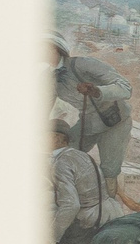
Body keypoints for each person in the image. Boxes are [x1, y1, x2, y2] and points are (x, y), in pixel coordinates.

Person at [53, 40, 134, 193]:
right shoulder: (48, 78)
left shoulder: (82, 65)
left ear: (58, 49)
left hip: (116, 121)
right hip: (88, 123)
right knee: (63, 153)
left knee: (109, 170)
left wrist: (97, 91)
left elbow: (126, 88)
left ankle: (108, 205)